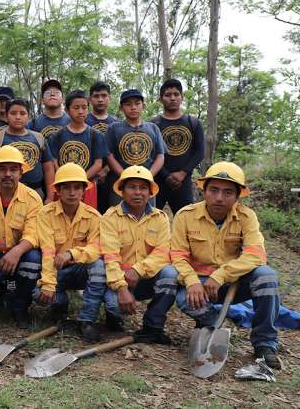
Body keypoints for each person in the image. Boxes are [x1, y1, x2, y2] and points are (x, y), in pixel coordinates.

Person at [171, 162, 281, 368]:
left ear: (238, 195)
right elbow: (177, 255)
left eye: (228, 192)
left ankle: (265, 344)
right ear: (203, 190)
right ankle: (213, 324)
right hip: (200, 284)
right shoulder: (185, 216)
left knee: (266, 276)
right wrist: (192, 281)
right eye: (214, 190)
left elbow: (256, 254)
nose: (220, 197)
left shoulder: (247, 217)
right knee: (183, 299)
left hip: (233, 283)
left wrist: (221, 275)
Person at [101, 166, 178, 344]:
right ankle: (113, 317)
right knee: (114, 307)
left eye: (143, 188)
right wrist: (121, 288)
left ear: (150, 192)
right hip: (118, 281)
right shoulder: (110, 217)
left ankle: (153, 327)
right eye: (132, 187)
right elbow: (110, 257)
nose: (138, 192)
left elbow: (163, 252)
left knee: (170, 273)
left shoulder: (161, 218)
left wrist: (137, 270)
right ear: (122, 191)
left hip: (146, 279)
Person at [0, 146, 43, 328]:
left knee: (34, 259)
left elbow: (33, 233)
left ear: (21, 172)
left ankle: (19, 306)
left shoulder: (32, 198)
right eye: (2, 169)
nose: (7, 174)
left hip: (20, 256)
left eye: (13, 169)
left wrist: (17, 251)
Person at [37, 163, 106, 342]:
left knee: (98, 265)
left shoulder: (94, 217)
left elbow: (96, 249)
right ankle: (59, 308)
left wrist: (72, 254)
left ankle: (87, 320)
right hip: (55, 270)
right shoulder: (45, 214)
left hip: (79, 270)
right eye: (66, 187)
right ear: (58, 190)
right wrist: (48, 285)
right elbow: (47, 251)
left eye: (77, 187)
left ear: (84, 190)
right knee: (38, 295)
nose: (72, 193)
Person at [0, 98, 54, 201]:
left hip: (35, 191)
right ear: (6, 116)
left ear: (29, 116)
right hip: (4, 193)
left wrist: (50, 196)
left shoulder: (39, 138)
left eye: (22, 113)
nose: (18, 117)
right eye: (13, 113)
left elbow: (48, 169)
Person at [151, 78, 205, 214]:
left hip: (184, 182)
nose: (172, 98)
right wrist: (166, 176)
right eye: (168, 95)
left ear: (182, 97)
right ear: (161, 99)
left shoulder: (193, 123)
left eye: (176, 94)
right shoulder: (153, 125)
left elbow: (200, 152)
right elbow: (150, 154)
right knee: (150, 221)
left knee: (187, 223)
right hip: (158, 181)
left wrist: (182, 173)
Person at [105, 89, 165, 207]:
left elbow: (160, 155)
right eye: (128, 104)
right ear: (121, 108)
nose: (133, 107)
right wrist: (124, 175)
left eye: (137, 103)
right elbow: (109, 155)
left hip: (146, 184)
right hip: (121, 184)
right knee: (119, 216)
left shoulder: (153, 128)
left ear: (144, 106)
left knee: (147, 217)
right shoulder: (114, 128)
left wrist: (148, 175)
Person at [50, 90, 107, 209]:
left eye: (84, 107)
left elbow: (98, 164)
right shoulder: (57, 135)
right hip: (63, 186)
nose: (80, 111)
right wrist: (65, 179)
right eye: (76, 107)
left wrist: (80, 181)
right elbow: (54, 161)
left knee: (87, 219)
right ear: (66, 110)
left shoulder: (95, 135)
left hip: (87, 185)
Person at [85, 81, 118, 214]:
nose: (100, 99)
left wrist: (105, 170)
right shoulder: (83, 121)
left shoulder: (116, 123)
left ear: (109, 98)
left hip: (111, 175)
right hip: (88, 175)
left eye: (104, 96)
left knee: (109, 212)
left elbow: (118, 150)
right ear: (90, 99)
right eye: (96, 96)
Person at [27, 78, 70, 143]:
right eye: (48, 92)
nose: (52, 94)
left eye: (56, 92)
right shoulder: (32, 124)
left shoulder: (72, 122)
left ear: (63, 99)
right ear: (42, 100)